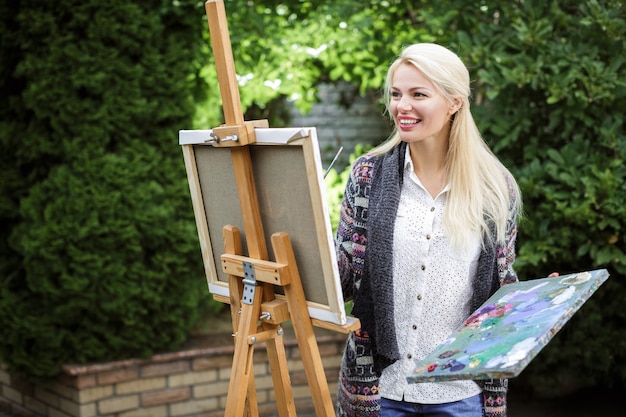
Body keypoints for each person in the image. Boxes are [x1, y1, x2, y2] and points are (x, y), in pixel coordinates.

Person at [334, 43, 521, 417]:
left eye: (419, 94)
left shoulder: (496, 189)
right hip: (380, 389)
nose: (402, 106)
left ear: (454, 102)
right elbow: (345, 279)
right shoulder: (367, 176)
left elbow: (500, 292)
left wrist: (537, 303)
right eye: (397, 94)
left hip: (462, 395)